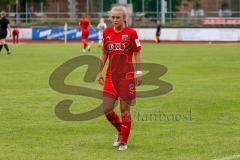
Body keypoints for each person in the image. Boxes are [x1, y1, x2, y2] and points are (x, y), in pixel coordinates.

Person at [97, 6, 142, 151]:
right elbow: (104, 53)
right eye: (113, 17)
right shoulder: (107, 32)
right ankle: (120, 130)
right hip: (111, 77)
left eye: (118, 17)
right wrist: (99, 72)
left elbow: (137, 53)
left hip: (126, 77)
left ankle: (123, 141)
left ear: (124, 18)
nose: (115, 20)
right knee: (107, 109)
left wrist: (139, 72)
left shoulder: (131, 33)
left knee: (124, 110)